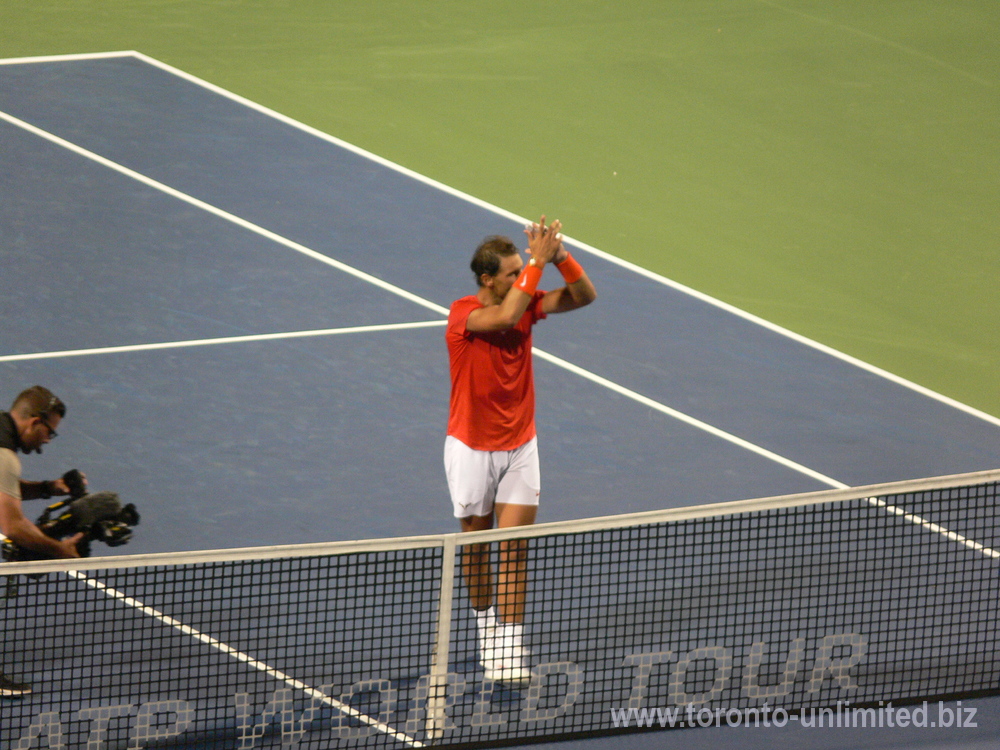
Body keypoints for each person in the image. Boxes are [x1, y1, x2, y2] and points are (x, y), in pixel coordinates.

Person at [445, 216, 597, 683]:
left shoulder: (527, 303)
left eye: (521, 270)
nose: (522, 279)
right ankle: (485, 628)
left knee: (513, 550)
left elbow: (585, 296)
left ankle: (508, 649)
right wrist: (535, 262)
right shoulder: (464, 315)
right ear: (488, 279)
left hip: (520, 448)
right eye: (511, 273)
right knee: (477, 551)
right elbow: (507, 316)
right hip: (470, 450)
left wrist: (561, 257)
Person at [0, 386, 84, 697]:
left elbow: (4, 485)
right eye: (49, 432)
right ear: (35, 422)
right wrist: (60, 551)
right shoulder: (4, 455)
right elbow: (13, 525)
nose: (48, 440)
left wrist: (49, 488)